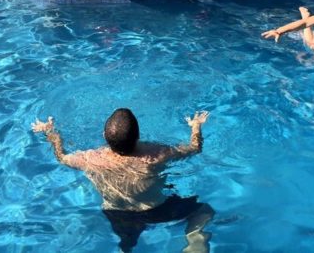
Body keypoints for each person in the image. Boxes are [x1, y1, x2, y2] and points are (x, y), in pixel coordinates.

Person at [31, 108, 213, 253]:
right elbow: (195, 148)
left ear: (104, 135)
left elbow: (62, 157)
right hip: (157, 210)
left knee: (127, 243)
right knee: (203, 211)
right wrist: (196, 126)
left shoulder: (88, 159)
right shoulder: (157, 154)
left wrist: (52, 134)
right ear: (138, 135)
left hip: (118, 215)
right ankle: (195, 241)